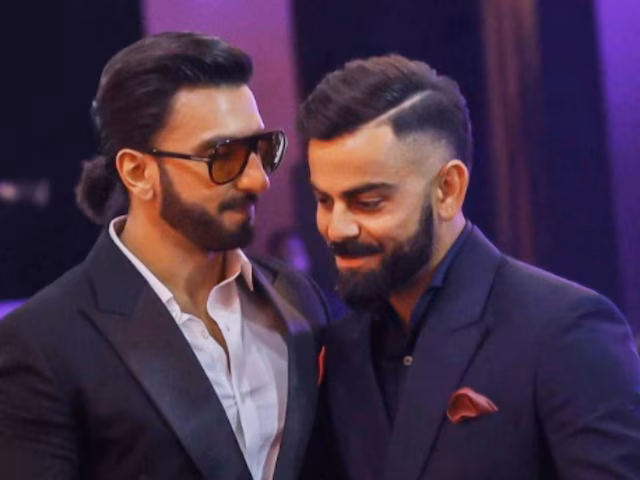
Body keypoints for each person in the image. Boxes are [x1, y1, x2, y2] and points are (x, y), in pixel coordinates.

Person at [0, 32, 330, 480]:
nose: (258, 180)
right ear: (138, 172)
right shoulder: (42, 343)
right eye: (224, 156)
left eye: (261, 149)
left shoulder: (296, 298)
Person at [298, 54, 640, 479]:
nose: (337, 228)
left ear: (448, 189)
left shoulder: (563, 331)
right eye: (323, 200)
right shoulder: (338, 349)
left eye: (368, 202)